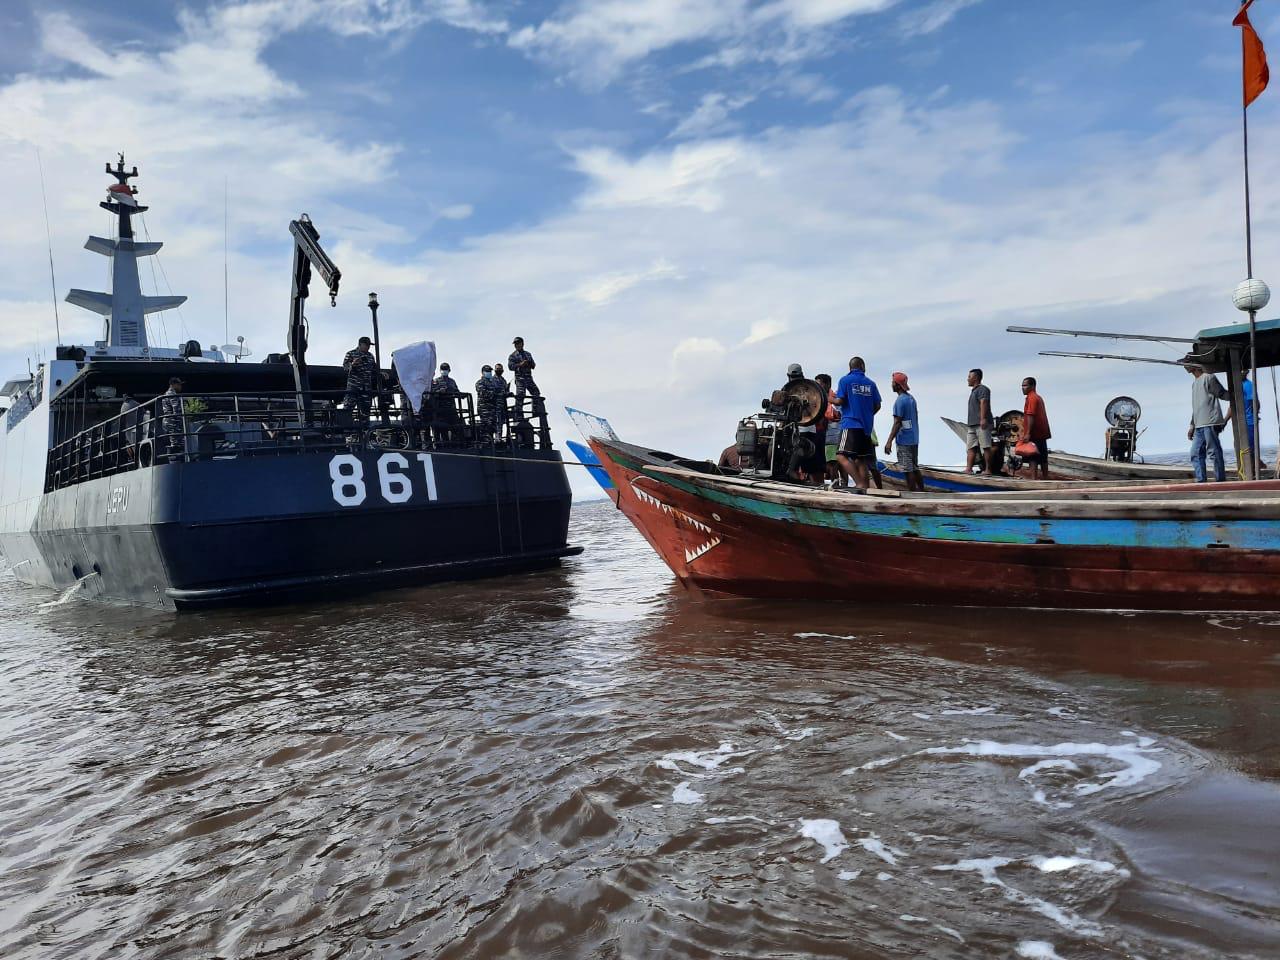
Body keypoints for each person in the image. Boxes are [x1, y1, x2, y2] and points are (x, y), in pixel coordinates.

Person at [833, 356, 881, 490]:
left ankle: (858, 483)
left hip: (850, 424)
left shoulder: (845, 380)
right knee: (861, 459)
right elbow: (877, 405)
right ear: (862, 367)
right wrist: (866, 415)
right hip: (866, 428)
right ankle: (864, 487)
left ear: (850, 367)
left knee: (840, 456)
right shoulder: (871, 383)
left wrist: (828, 398)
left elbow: (840, 401)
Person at [1186, 364, 1232, 483]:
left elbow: (1221, 393)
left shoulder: (1209, 378)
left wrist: (1235, 394)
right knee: (1195, 453)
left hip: (1210, 422)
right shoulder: (1194, 384)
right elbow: (1197, 407)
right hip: (1199, 425)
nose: (1185, 366)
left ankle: (1220, 480)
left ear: (1195, 366)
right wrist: (1192, 426)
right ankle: (1201, 481)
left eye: (1187, 364)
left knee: (1214, 452)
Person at [884, 371, 922, 492]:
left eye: (893, 383)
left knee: (907, 469)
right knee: (915, 467)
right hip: (914, 438)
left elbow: (897, 422)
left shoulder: (900, 401)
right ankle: (922, 491)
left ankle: (913, 494)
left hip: (904, 440)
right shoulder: (911, 399)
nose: (891, 385)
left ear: (898, 385)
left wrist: (889, 441)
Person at [1019, 376, 1052, 480]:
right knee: (1043, 457)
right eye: (1022, 385)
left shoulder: (1032, 398)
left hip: (1035, 433)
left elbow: (1030, 415)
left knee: (1032, 456)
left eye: (1025, 385)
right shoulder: (1038, 397)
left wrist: (1028, 433)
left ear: (1032, 386)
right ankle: (1045, 478)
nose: (1022, 388)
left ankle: (1033, 479)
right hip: (1042, 432)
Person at [965, 368, 994, 475]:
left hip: (981, 423)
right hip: (972, 424)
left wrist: (983, 419)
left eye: (969, 377)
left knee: (985, 446)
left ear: (976, 378)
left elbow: (983, 403)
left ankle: (988, 470)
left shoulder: (983, 389)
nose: (967, 379)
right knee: (970, 447)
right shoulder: (974, 391)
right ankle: (968, 469)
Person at [343, 336, 377, 426]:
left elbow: (374, 369)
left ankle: (365, 431)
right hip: (353, 387)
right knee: (347, 409)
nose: (368, 347)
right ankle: (346, 430)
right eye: (366, 345)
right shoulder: (351, 354)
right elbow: (345, 367)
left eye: (369, 345)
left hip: (366, 388)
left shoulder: (370, 356)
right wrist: (352, 364)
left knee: (365, 411)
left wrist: (381, 373)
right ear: (361, 344)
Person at [508, 337, 541, 412]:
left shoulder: (528, 354)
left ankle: (535, 411)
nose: (517, 345)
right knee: (520, 396)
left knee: (536, 392)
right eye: (515, 344)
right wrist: (520, 364)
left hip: (529, 378)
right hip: (520, 379)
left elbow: (533, 365)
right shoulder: (513, 356)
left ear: (522, 344)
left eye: (518, 343)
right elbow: (510, 367)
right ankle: (519, 414)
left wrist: (529, 363)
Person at [475, 364, 504, 441]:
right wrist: (495, 393)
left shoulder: (493, 383)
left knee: (492, 427)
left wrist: (505, 394)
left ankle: (492, 442)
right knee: (486, 427)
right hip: (484, 409)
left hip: (493, 409)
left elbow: (499, 392)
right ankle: (485, 443)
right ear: (483, 372)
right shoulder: (480, 383)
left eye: (490, 371)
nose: (490, 373)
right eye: (487, 371)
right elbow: (484, 393)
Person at [160, 377, 185, 458]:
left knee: (173, 443)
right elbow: (177, 410)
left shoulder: (166, 394)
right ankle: (177, 462)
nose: (180, 387)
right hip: (173, 423)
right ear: (173, 385)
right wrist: (184, 421)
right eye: (179, 385)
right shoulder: (172, 395)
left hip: (167, 422)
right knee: (178, 445)